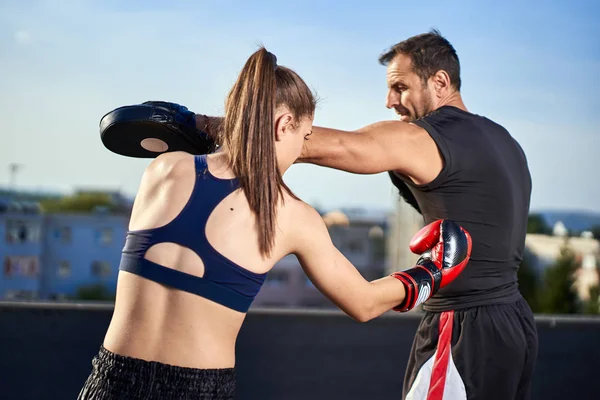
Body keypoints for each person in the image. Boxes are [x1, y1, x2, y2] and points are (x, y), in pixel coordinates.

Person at [81, 47, 472, 400]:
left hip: (111, 379)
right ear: (285, 125)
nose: (301, 150)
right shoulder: (292, 215)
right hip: (196, 390)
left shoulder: (164, 170)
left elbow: (219, 166)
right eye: (303, 137)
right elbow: (365, 304)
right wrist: (433, 272)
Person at [179, 31, 536, 399]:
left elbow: (341, 145)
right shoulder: (506, 143)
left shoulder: (424, 138)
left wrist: (206, 126)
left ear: (440, 81)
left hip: (462, 331)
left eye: (400, 87)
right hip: (514, 325)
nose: (389, 101)